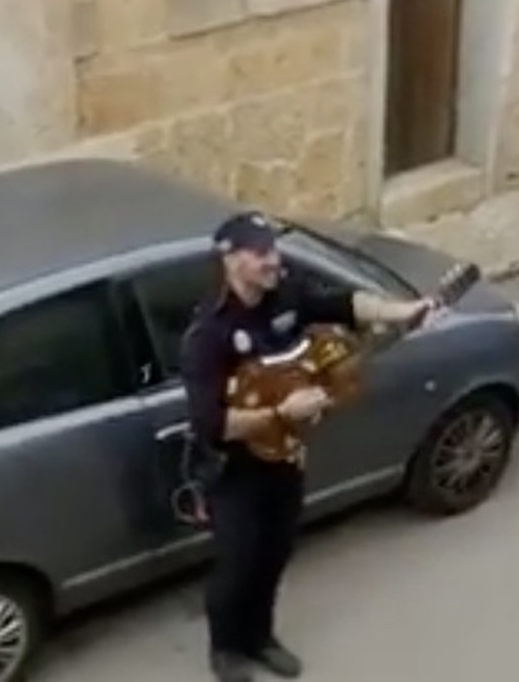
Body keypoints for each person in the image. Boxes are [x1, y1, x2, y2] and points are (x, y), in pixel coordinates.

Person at [180, 211, 439, 682]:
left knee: (276, 553)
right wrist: (282, 413)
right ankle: (226, 649)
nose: (271, 260)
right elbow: (212, 424)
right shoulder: (209, 335)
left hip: (285, 459)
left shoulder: (286, 292)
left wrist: (402, 311)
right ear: (231, 261)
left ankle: (261, 637)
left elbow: (342, 304)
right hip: (233, 471)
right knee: (237, 564)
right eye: (258, 253)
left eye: (272, 249)